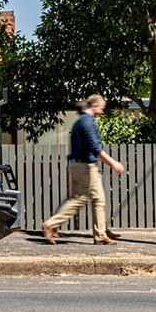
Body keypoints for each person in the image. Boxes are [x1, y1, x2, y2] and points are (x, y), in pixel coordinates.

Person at [42, 94, 125, 245]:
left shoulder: (79, 122)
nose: (102, 112)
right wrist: (114, 163)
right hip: (85, 167)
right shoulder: (88, 123)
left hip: (76, 165)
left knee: (98, 199)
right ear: (94, 106)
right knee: (80, 200)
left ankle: (101, 232)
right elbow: (95, 148)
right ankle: (50, 224)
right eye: (102, 108)